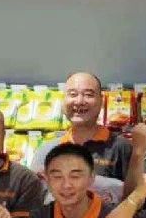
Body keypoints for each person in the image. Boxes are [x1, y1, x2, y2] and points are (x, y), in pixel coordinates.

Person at [32, 72, 136, 201]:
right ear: (63, 101)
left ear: (101, 101)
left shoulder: (122, 148)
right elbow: (36, 201)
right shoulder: (46, 150)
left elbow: (137, 198)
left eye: (88, 95)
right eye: (73, 94)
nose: (79, 101)